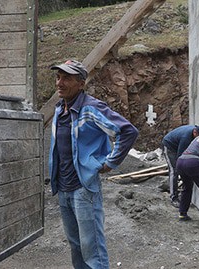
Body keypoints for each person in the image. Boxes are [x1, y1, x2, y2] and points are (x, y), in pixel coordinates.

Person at [48, 59, 139, 268]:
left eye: (67, 78)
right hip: (63, 188)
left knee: (92, 247)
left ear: (81, 83)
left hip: (84, 188)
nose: (59, 83)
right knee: (75, 245)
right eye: (58, 77)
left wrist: (110, 163)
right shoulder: (59, 109)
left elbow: (127, 131)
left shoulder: (90, 108)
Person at [162, 125, 199, 207]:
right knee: (174, 171)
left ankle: (184, 192)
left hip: (178, 143)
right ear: (195, 132)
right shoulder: (186, 138)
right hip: (169, 146)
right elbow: (181, 158)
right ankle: (174, 197)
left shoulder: (198, 133)